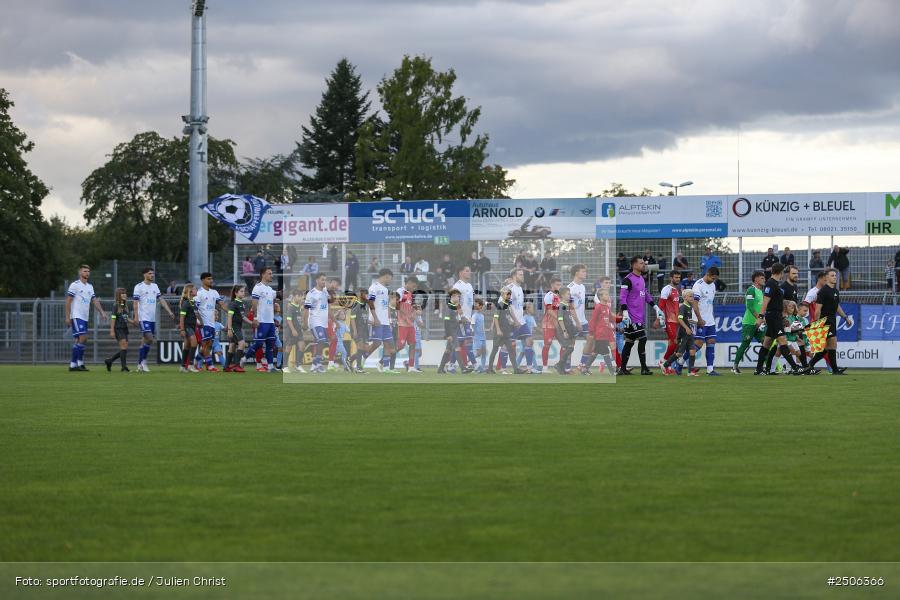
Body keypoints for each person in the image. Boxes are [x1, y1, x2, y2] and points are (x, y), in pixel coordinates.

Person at [617, 257, 664, 375]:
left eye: (644, 263)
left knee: (629, 342)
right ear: (634, 265)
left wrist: (655, 306)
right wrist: (625, 313)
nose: (644, 265)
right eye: (641, 263)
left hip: (639, 316)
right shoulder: (627, 280)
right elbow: (622, 297)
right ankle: (644, 368)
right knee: (642, 338)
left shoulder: (642, 279)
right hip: (631, 317)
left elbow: (646, 294)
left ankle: (622, 369)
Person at [754, 263, 802, 375]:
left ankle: (759, 369)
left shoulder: (775, 283)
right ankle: (795, 368)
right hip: (774, 317)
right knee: (783, 342)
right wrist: (761, 317)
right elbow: (766, 301)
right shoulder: (771, 284)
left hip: (776, 316)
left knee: (767, 344)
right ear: (781, 273)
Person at [804, 269, 853, 375]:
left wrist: (845, 317)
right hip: (824, 321)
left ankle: (810, 365)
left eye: (835, 275)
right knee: (832, 345)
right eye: (832, 275)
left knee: (826, 348)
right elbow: (818, 309)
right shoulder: (822, 291)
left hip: (832, 320)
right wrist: (817, 324)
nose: (834, 277)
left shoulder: (835, 291)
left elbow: (837, 307)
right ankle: (835, 370)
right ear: (826, 277)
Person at [351, 268, 399, 374]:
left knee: (389, 345)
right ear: (386, 276)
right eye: (390, 278)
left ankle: (385, 367)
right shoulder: (374, 287)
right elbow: (370, 303)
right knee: (376, 343)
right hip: (377, 321)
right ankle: (360, 360)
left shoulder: (386, 290)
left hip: (385, 322)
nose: (390, 281)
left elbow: (386, 306)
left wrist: (389, 320)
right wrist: (375, 318)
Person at [132, 267, 175, 373]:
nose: (152, 275)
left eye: (153, 274)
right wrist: (136, 317)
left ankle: (139, 364)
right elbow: (135, 303)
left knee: (145, 341)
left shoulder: (155, 286)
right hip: (143, 318)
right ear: (144, 275)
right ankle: (143, 362)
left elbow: (161, 300)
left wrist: (169, 311)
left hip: (152, 319)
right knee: (150, 339)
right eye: (150, 273)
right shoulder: (139, 287)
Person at [65, 265, 107, 372]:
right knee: (83, 338)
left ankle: (79, 363)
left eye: (88, 271)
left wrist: (102, 312)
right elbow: (68, 301)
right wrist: (67, 317)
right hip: (76, 315)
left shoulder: (90, 286)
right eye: (85, 271)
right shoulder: (75, 285)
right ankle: (73, 365)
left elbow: (95, 301)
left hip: (84, 317)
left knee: (81, 339)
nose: (87, 273)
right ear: (80, 272)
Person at [243, 267, 278, 373]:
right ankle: (243, 359)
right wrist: (255, 318)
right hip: (261, 321)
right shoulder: (258, 287)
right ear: (263, 275)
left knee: (270, 345)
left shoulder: (270, 290)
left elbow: (277, 297)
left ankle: (271, 367)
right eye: (269, 273)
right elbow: (254, 303)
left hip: (270, 322)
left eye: (272, 273)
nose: (271, 275)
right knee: (258, 344)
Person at [732, 271, 767, 374]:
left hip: (759, 323)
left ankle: (770, 367)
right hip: (749, 323)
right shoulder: (751, 290)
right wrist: (759, 318)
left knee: (766, 344)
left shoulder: (761, 291)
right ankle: (735, 366)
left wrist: (762, 319)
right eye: (762, 278)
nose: (764, 280)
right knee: (745, 344)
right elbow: (750, 306)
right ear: (756, 279)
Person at [688, 267, 721, 376]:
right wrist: (700, 319)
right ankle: (680, 362)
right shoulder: (698, 285)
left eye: (715, 279)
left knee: (711, 341)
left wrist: (710, 317)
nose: (713, 280)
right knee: (698, 343)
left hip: (710, 320)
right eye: (712, 278)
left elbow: (709, 303)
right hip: (699, 319)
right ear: (707, 274)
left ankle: (710, 370)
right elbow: (695, 304)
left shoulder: (713, 285)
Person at [659, 291, 697, 376]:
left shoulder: (690, 307)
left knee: (692, 351)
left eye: (693, 296)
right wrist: (687, 328)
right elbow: (679, 319)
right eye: (690, 296)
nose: (692, 298)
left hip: (689, 333)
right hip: (684, 333)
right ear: (685, 298)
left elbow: (687, 320)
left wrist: (695, 322)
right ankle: (665, 365)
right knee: (679, 353)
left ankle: (690, 371)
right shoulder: (683, 307)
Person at [195, 272, 226, 372]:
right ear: (203, 280)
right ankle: (210, 365)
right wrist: (200, 321)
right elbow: (195, 309)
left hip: (212, 323)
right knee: (205, 344)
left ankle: (196, 361)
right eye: (209, 279)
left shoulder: (214, 292)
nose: (211, 281)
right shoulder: (199, 293)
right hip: (204, 324)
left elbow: (221, 304)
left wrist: (230, 312)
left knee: (208, 345)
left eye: (211, 279)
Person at [581, 289, 616, 375]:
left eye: (608, 294)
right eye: (606, 295)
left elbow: (610, 319)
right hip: (600, 334)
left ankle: (585, 369)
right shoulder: (598, 307)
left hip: (606, 333)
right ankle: (612, 372)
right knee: (605, 352)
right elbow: (593, 321)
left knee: (595, 352)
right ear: (601, 296)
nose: (608, 296)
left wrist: (620, 320)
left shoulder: (607, 307)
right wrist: (592, 333)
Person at [303, 273, 330, 373]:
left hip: (323, 322)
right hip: (315, 321)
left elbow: (328, 306)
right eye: (322, 280)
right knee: (321, 340)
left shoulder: (325, 292)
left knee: (321, 342)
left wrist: (334, 320)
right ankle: (316, 364)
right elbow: (306, 309)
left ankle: (316, 365)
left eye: (325, 280)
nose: (324, 282)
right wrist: (305, 323)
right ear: (317, 280)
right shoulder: (311, 293)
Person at [487, 287, 517, 375]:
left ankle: (516, 369)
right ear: (503, 295)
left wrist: (513, 321)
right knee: (495, 350)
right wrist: (498, 330)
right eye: (507, 294)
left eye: (509, 294)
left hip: (506, 332)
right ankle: (489, 369)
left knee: (511, 350)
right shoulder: (500, 305)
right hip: (499, 333)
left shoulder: (507, 305)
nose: (509, 296)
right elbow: (496, 318)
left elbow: (506, 316)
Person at [452, 266, 478, 369]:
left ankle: (451, 365)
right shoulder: (457, 286)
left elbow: (473, 300)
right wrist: (461, 315)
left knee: (461, 342)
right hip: (460, 319)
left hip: (468, 318)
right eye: (467, 271)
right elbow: (455, 301)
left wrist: (484, 304)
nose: (469, 272)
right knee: (468, 340)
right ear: (460, 273)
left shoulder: (470, 286)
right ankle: (475, 365)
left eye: (469, 270)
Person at [396, 276, 421, 372]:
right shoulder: (400, 291)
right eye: (413, 286)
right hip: (402, 323)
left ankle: (411, 367)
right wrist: (406, 315)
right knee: (401, 345)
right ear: (409, 283)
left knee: (413, 344)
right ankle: (383, 361)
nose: (414, 288)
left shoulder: (410, 294)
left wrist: (416, 314)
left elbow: (412, 307)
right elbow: (397, 305)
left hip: (410, 324)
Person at [437, 289, 465, 374]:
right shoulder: (449, 306)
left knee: (448, 351)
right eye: (457, 296)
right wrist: (448, 334)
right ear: (453, 297)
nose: (459, 298)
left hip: (453, 330)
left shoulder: (454, 306)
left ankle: (440, 369)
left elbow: (454, 319)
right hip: (451, 332)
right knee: (457, 348)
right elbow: (446, 321)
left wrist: (460, 321)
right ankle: (463, 369)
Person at [658, 270, 682, 363]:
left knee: (672, 343)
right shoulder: (667, 289)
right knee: (676, 342)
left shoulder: (676, 290)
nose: (678, 279)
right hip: (669, 320)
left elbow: (675, 306)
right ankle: (663, 362)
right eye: (676, 277)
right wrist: (658, 319)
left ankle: (667, 366)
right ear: (671, 278)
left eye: (679, 277)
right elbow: (661, 305)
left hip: (675, 321)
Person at [223, 284, 248, 373]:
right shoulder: (233, 303)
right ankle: (237, 366)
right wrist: (229, 329)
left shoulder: (241, 303)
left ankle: (226, 366)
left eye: (244, 291)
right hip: (234, 327)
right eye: (241, 291)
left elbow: (243, 317)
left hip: (237, 327)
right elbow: (230, 316)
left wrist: (252, 323)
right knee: (242, 343)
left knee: (232, 346)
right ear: (236, 293)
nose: (243, 293)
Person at [105, 288, 132, 372]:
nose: (124, 295)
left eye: (125, 293)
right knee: (123, 346)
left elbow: (126, 318)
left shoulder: (125, 306)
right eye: (122, 294)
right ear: (119, 296)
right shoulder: (116, 305)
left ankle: (109, 361)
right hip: (118, 328)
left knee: (124, 348)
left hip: (124, 328)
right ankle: (124, 367)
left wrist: (133, 322)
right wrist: (112, 330)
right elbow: (113, 318)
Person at [555, 288, 580, 374]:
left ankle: (561, 368)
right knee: (569, 348)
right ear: (562, 295)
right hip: (564, 330)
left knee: (570, 348)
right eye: (568, 294)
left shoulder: (567, 305)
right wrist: (564, 331)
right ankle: (559, 365)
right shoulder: (561, 306)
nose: (569, 295)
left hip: (569, 329)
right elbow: (560, 319)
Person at [281, 288, 306, 374]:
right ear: (295, 296)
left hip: (299, 331)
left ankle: (298, 365)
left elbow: (298, 318)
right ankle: (284, 366)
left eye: (301, 296)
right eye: (299, 296)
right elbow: (289, 320)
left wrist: (302, 324)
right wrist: (293, 330)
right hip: (291, 331)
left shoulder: (299, 306)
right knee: (288, 348)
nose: (301, 298)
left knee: (302, 346)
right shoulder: (291, 307)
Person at [177, 283, 201, 373]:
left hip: (192, 326)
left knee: (187, 345)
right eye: (195, 289)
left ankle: (183, 366)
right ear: (191, 292)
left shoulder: (193, 302)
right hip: (187, 326)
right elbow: (182, 317)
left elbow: (196, 314)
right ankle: (190, 365)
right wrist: (182, 329)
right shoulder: (186, 303)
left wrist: (201, 322)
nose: (196, 290)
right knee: (194, 343)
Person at [541, 277, 562, 371]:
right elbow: (549, 311)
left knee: (565, 344)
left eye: (560, 285)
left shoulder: (559, 296)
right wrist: (558, 319)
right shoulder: (549, 295)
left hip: (558, 324)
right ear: (552, 285)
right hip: (548, 324)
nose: (559, 286)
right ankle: (545, 367)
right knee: (547, 345)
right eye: (557, 284)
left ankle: (561, 365)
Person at [348, 288, 370, 373]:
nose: (365, 296)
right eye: (363, 294)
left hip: (365, 330)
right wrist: (355, 331)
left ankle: (350, 360)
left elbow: (365, 319)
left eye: (366, 294)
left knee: (365, 349)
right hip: (357, 329)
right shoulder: (356, 305)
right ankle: (358, 368)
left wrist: (373, 322)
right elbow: (352, 318)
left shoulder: (366, 305)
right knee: (360, 347)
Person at [472, 298, 487, 373]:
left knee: (484, 353)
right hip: (477, 336)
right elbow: (472, 326)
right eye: (476, 304)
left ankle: (483, 368)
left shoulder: (482, 315)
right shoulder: (474, 315)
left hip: (483, 336)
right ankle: (469, 363)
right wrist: (474, 336)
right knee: (478, 354)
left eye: (478, 304)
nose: (476, 305)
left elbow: (482, 326)